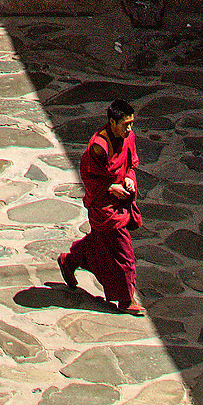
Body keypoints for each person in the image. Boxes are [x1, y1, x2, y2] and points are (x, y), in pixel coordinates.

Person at [59, 101, 143, 315]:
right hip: (104, 206)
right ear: (112, 122)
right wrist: (111, 187)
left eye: (132, 123)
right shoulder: (99, 146)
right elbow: (89, 177)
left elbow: (130, 165)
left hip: (120, 199)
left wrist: (129, 179)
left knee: (98, 241)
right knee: (124, 253)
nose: (129, 129)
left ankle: (70, 261)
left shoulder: (127, 137)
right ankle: (125, 300)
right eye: (125, 124)